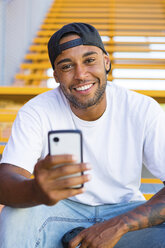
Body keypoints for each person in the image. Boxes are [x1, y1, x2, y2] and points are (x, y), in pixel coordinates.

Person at [0, 22, 165, 248]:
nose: (80, 75)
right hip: (57, 211)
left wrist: (118, 225)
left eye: (89, 60)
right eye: (67, 66)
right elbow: (5, 179)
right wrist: (36, 190)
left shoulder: (142, 109)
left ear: (106, 62)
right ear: (56, 75)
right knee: (13, 216)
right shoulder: (37, 111)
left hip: (123, 211)